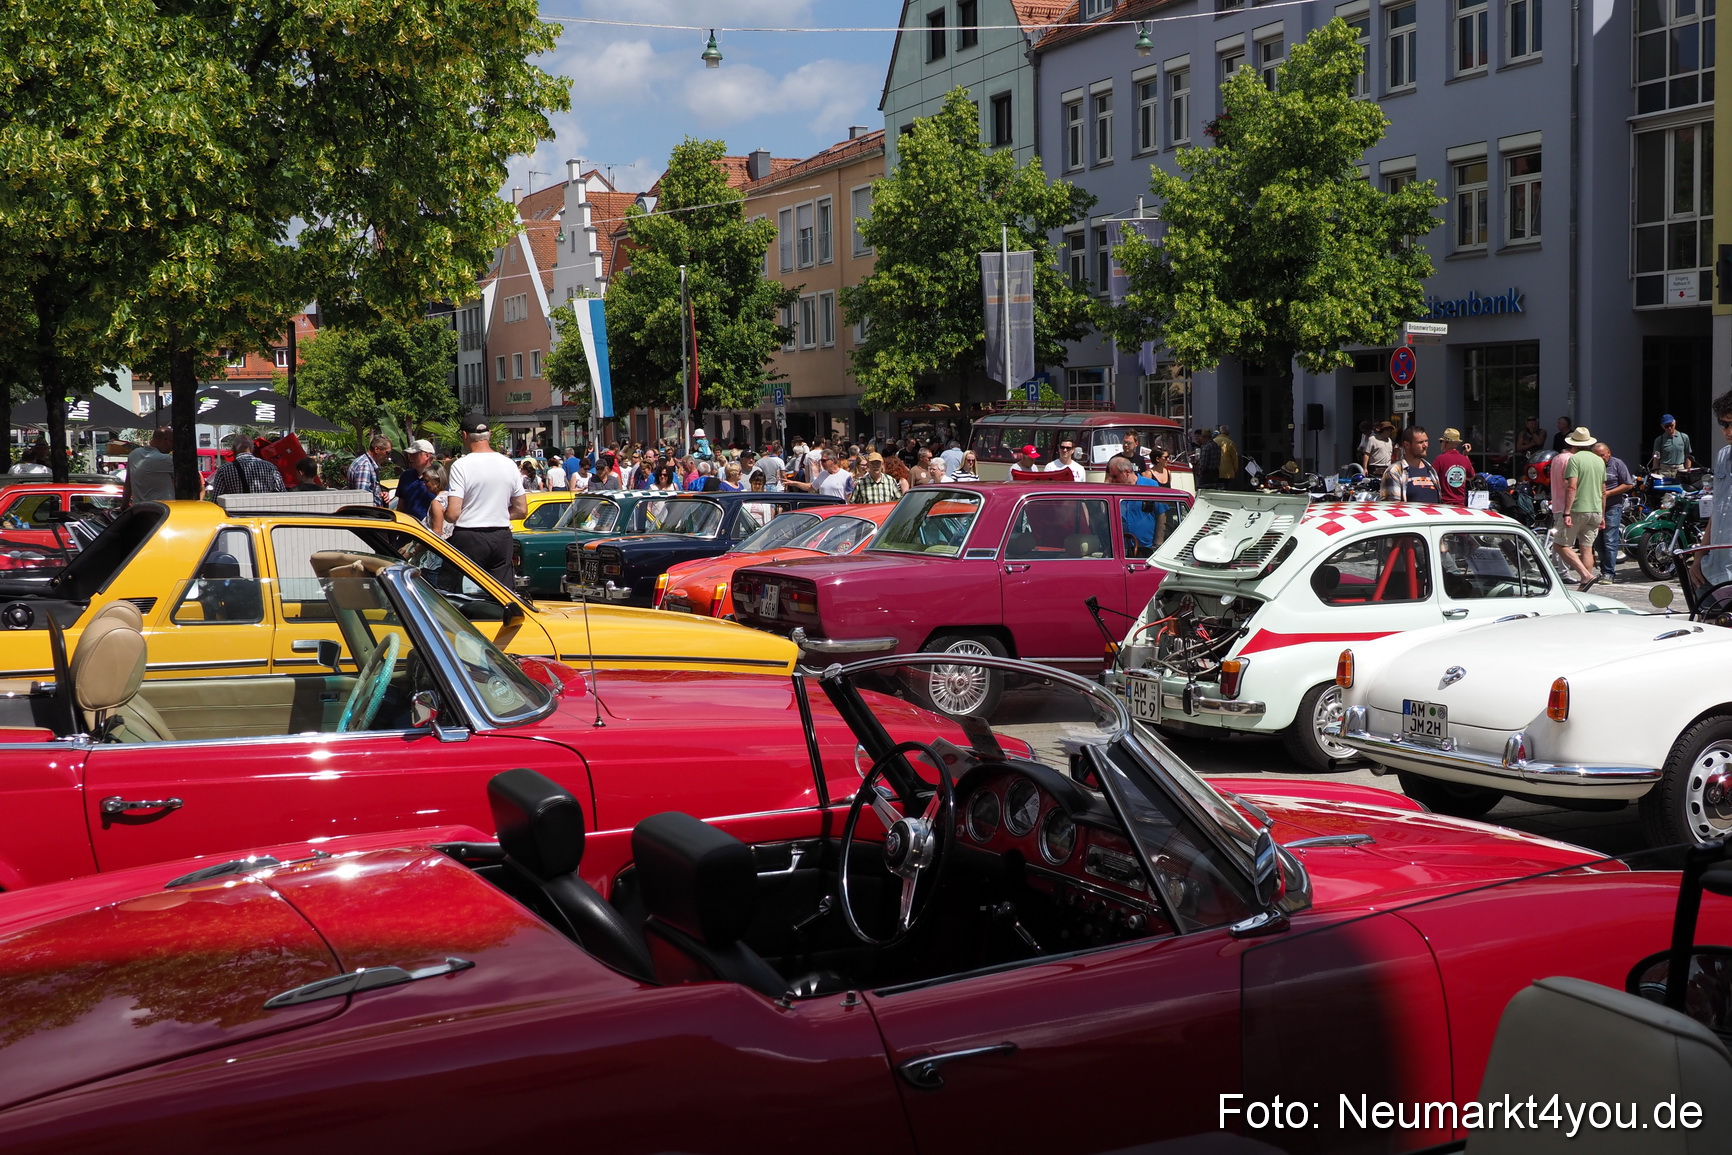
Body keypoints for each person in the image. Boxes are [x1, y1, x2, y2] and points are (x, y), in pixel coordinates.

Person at [444, 422, 526, 586]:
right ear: (490, 434)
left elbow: (453, 514)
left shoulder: (461, 465)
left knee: (460, 592)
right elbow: (521, 510)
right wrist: (495, 513)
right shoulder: (509, 464)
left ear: (464, 435)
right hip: (501, 535)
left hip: (469, 536)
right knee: (501, 592)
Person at [1558, 426, 1605, 591]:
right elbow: (1603, 491)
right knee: (1587, 548)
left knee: (1560, 545)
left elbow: (1572, 487)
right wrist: (1602, 515)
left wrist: (1566, 512)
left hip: (1578, 508)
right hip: (1596, 509)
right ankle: (1584, 586)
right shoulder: (1599, 460)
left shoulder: (1574, 459)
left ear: (1573, 444)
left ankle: (1585, 576)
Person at [1694, 390, 1732, 591]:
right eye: (1724, 424)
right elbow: (1718, 510)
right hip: (1713, 568)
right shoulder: (1723, 456)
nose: (1728, 431)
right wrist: (1699, 556)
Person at [1108, 454, 1169, 556]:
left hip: (1147, 548)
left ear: (1127, 472)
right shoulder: (1116, 490)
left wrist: (1158, 544)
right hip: (1122, 548)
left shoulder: (1150, 486)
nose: (1113, 481)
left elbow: (1161, 514)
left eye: (1115, 476)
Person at [1595, 442, 1635, 582]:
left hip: (1613, 506)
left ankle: (1609, 573)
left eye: (1602, 455)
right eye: (1597, 456)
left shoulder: (1617, 464)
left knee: (1610, 540)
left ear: (1609, 453)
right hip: (1596, 507)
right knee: (1598, 542)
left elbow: (1628, 484)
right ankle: (1603, 570)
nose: (1600, 458)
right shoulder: (1594, 465)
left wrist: (1610, 493)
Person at [211, 432, 285, 497]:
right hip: (265, 508)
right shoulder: (270, 467)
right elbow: (281, 493)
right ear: (252, 448)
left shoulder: (224, 470)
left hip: (237, 509)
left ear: (233, 449)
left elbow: (216, 498)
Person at [1379, 426, 1440, 502]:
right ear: (1407, 445)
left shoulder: (1430, 470)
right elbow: (1392, 506)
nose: (1425, 445)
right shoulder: (1394, 472)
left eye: (1426, 441)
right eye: (1420, 442)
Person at [124, 425, 175, 505]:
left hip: (139, 509)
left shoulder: (134, 454)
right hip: (163, 510)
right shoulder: (166, 459)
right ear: (166, 441)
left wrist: (124, 507)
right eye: (173, 442)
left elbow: (128, 485)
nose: (173, 447)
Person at [396, 439, 436, 522]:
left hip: (429, 527)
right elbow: (400, 506)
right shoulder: (406, 476)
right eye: (410, 455)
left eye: (414, 455)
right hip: (409, 527)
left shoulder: (438, 477)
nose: (410, 458)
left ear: (427, 456)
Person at [1433, 429, 1476, 506]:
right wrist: (1466, 455)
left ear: (1445, 443)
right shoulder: (1464, 459)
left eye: (1441, 441)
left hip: (1443, 504)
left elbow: (1430, 478)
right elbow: (1471, 477)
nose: (1441, 444)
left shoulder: (1440, 459)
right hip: (1460, 505)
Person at [345, 435, 390, 506]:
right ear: (377, 449)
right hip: (368, 512)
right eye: (387, 453)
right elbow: (362, 500)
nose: (388, 456)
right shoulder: (365, 466)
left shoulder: (367, 463)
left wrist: (380, 495)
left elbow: (369, 492)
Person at [422, 463, 453, 539]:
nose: (424, 484)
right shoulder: (451, 498)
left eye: (427, 481)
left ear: (437, 481)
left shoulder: (437, 503)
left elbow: (437, 533)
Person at [1213, 425, 1241, 489]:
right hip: (1227, 471)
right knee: (1227, 488)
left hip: (1215, 470)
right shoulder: (1230, 442)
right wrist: (1235, 469)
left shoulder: (1214, 441)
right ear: (1228, 433)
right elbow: (1234, 458)